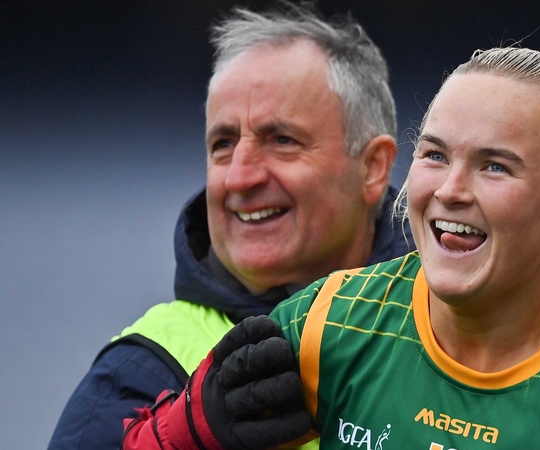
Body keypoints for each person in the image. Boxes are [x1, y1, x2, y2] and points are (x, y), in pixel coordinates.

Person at [119, 45, 540, 449]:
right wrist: (186, 434)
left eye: (495, 166)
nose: (449, 190)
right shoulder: (330, 323)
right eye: (435, 155)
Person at [47, 4, 409, 450]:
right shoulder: (141, 370)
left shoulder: (466, 329)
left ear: (372, 167)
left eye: (281, 140)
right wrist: (178, 441)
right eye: (223, 144)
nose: (239, 177)